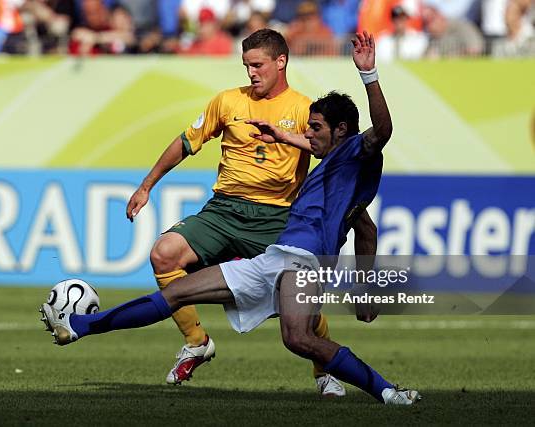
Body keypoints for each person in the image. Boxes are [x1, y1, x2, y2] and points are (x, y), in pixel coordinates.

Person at [41, 31, 421, 405]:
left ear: (341, 131)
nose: (308, 134)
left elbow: (381, 131)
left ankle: (387, 391)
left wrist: (368, 76)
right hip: (275, 255)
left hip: (303, 263)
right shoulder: (330, 171)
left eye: (315, 129)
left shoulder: (355, 154)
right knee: (175, 293)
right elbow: (366, 231)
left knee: (298, 338)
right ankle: (78, 327)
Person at [125, 28, 376, 394]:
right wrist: (147, 185)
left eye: (257, 65)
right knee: (164, 254)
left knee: (294, 308)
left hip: (278, 217)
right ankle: (197, 342)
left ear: (280, 62)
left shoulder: (305, 110)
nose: (251, 73)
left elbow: (327, 152)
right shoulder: (227, 102)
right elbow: (185, 142)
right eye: (246, 66)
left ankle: (324, 371)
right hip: (224, 211)